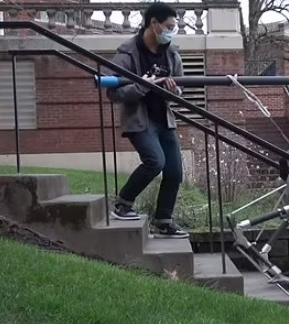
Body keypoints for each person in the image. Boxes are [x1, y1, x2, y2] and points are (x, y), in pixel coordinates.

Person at [105, 2, 188, 239]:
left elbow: (180, 87)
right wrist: (142, 86)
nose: (173, 31)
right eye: (169, 26)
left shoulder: (171, 53)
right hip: (139, 120)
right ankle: (123, 203)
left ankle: (163, 220)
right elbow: (113, 92)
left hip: (164, 119)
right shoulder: (128, 53)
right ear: (154, 24)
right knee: (155, 161)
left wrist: (174, 91)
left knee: (174, 172)